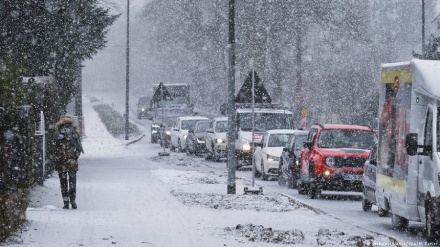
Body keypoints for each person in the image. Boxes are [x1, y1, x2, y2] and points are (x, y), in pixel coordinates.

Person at [53, 116, 84, 209]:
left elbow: (79, 147)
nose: (67, 125)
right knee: (63, 183)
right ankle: (65, 202)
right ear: (62, 124)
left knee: (72, 183)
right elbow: (54, 147)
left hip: (72, 162)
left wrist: (75, 156)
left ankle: (73, 201)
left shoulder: (75, 134)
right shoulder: (57, 134)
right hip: (61, 161)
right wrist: (58, 155)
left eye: (69, 124)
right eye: (66, 123)